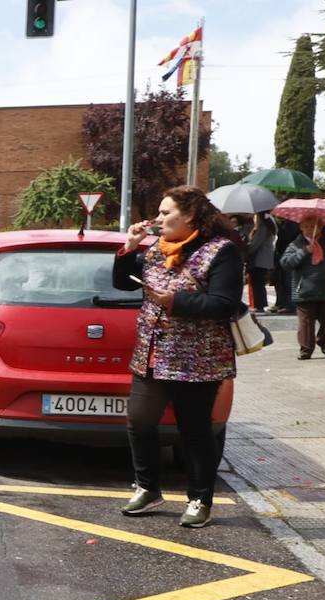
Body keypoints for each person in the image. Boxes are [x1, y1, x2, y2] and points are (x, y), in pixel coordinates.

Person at [113, 184, 244, 530]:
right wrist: (127, 250)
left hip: (197, 358)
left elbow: (224, 304)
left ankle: (200, 498)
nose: (158, 219)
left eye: (166, 212)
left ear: (189, 215)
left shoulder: (222, 251)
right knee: (139, 421)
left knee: (195, 430)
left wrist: (175, 301)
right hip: (152, 352)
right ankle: (147, 488)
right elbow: (124, 284)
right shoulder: (156, 248)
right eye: (159, 212)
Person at [279, 215, 325, 360]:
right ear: (301, 228)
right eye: (306, 227)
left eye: (313, 226)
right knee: (306, 322)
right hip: (304, 290)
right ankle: (306, 349)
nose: (309, 230)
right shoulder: (296, 244)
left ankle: (322, 340)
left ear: (320, 227)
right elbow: (285, 263)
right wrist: (304, 252)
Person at [246, 212, 276, 314]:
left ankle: (260, 305)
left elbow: (255, 244)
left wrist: (247, 249)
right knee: (258, 283)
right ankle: (259, 305)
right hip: (262, 260)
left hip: (259, 260)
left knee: (258, 283)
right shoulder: (265, 227)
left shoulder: (263, 228)